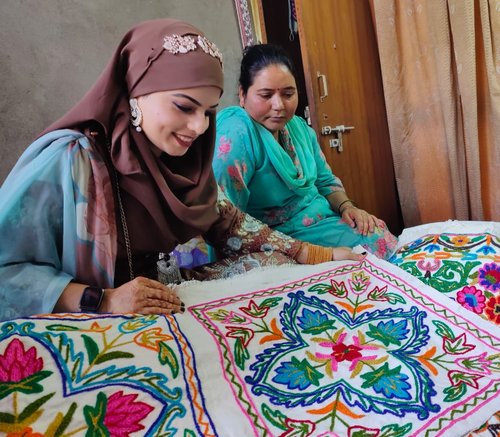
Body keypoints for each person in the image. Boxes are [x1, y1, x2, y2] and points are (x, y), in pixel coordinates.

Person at [0, 20, 363, 322]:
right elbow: (6, 273)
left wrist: (313, 253)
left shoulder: (181, 155)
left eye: (207, 112)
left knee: (279, 265)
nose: (199, 127)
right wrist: (103, 300)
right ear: (135, 94)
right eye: (184, 107)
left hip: (166, 292)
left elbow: (231, 222)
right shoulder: (70, 160)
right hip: (96, 306)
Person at [213, 43, 398, 259]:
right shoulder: (237, 134)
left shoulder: (299, 129)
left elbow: (325, 181)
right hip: (274, 240)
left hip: (320, 222)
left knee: (374, 233)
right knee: (359, 258)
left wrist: (348, 207)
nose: (279, 105)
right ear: (243, 95)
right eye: (266, 95)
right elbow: (226, 218)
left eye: (288, 94)